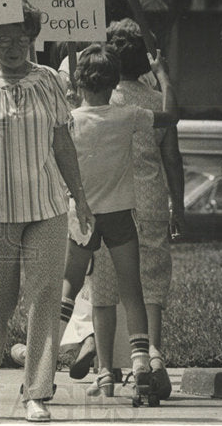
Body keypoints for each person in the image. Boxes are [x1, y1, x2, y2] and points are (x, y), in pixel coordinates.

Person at [0, 4, 93, 423]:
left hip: (45, 206)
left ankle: (37, 391)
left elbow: (62, 143)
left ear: (32, 39)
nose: (11, 47)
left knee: (46, 297)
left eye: (20, 39)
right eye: (3, 39)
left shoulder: (49, 80)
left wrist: (79, 198)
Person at [59, 43, 178, 402]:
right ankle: (141, 363)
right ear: (114, 85)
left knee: (69, 287)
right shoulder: (128, 115)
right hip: (120, 216)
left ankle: (44, 362)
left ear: (79, 83)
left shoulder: (68, 119)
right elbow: (170, 117)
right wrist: (162, 77)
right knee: (132, 290)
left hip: (82, 215)